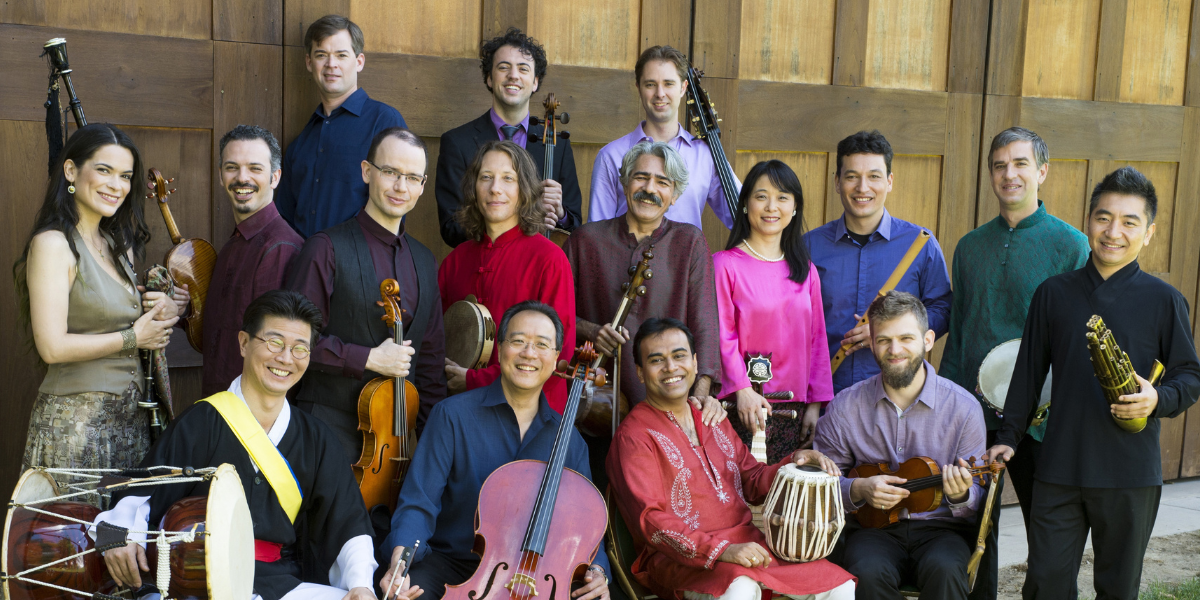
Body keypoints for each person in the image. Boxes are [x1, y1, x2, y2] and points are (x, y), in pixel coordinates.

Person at [95, 290, 420, 600]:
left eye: (299, 348)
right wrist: (114, 536)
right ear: (244, 343)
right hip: (196, 583)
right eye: (274, 341)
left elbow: (348, 524)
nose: (285, 358)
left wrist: (362, 585)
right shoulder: (202, 421)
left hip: (280, 585)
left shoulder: (316, 439)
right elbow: (135, 497)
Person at [987, 167, 1200, 600]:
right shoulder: (1053, 293)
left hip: (1130, 472)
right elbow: (1028, 372)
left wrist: (1157, 398)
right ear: (1088, 221)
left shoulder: (1165, 301)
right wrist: (1008, 436)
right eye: (1104, 218)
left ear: (1150, 232)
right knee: (1045, 586)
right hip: (1059, 466)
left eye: (1129, 222)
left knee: (1118, 589)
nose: (1113, 232)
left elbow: (1190, 376)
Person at [937, 127, 1089, 600]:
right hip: (977, 416)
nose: (1010, 174)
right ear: (991, 174)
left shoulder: (1071, 245)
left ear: (1042, 171)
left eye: (1021, 163)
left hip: (1042, 419)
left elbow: (1076, 339)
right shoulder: (969, 246)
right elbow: (960, 332)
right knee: (974, 530)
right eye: (1000, 165)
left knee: (1049, 537)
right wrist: (948, 404)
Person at [606, 318, 856, 600]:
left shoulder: (712, 417)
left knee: (839, 585)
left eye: (679, 356)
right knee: (740, 587)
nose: (671, 368)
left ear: (696, 363)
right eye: (656, 360)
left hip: (748, 545)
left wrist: (795, 461)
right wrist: (723, 551)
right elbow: (651, 520)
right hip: (680, 562)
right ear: (640, 373)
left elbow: (752, 480)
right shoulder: (634, 437)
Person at [380, 301, 610, 600]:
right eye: (518, 341)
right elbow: (418, 502)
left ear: (556, 359)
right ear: (499, 350)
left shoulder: (571, 442)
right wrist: (401, 560)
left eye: (541, 345)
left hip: (534, 575)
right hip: (453, 564)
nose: (529, 353)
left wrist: (598, 572)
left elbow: (586, 528)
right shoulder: (452, 415)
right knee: (411, 591)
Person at [16, 123, 182, 490]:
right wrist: (133, 337)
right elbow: (52, 346)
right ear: (71, 171)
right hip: (76, 429)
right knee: (74, 541)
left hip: (130, 429)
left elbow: (119, 315)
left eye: (125, 175)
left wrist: (161, 306)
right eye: (103, 170)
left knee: (126, 543)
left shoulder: (113, 243)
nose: (116, 185)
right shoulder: (53, 245)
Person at [563, 140, 722, 490]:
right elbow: (555, 319)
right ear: (624, 182)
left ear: (676, 195)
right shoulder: (585, 240)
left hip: (666, 398)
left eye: (662, 183)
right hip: (597, 403)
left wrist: (702, 388)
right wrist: (591, 330)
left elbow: (705, 320)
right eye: (641, 178)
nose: (650, 189)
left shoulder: (689, 242)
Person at [286, 127, 446, 461]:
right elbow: (293, 343)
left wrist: (433, 455)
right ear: (367, 171)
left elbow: (430, 365)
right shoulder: (325, 249)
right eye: (390, 172)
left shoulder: (425, 261)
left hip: (396, 445)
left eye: (412, 177)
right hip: (327, 438)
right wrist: (370, 358)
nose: (401, 187)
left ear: (422, 185)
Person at [815, 291, 985, 600]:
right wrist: (858, 489)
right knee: (865, 573)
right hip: (871, 531)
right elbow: (821, 483)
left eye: (907, 338)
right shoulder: (846, 406)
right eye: (884, 340)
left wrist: (962, 494)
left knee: (947, 572)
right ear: (873, 344)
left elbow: (978, 496)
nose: (895, 350)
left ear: (928, 339)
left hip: (942, 530)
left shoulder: (964, 408)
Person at [804, 130, 952, 394]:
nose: (863, 188)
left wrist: (892, 330)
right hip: (825, 397)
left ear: (890, 181)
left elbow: (943, 307)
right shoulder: (809, 247)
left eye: (874, 176)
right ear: (837, 182)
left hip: (899, 395)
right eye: (852, 177)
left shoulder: (920, 244)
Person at [439, 140, 575, 413]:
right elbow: (436, 340)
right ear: (473, 189)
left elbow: (560, 353)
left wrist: (473, 380)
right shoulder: (455, 261)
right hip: (464, 414)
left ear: (524, 190)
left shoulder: (549, 259)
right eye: (485, 177)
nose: (495, 189)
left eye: (508, 179)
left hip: (531, 416)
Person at [714, 160, 832, 463]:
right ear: (745, 204)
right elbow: (721, 334)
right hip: (738, 404)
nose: (771, 206)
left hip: (792, 408)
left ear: (794, 208)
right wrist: (741, 389)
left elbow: (817, 340)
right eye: (761, 195)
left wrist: (815, 405)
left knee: (780, 498)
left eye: (782, 197)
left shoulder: (805, 270)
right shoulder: (724, 264)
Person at [435, 28, 582, 247]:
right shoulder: (457, 143)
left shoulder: (557, 145)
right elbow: (451, 228)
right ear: (489, 79)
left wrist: (560, 214)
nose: (513, 75)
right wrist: (518, 215)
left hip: (539, 271)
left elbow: (575, 224)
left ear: (535, 82)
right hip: (483, 267)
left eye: (523, 69)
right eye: (503, 67)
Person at [276, 14, 407, 238]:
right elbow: (283, 219)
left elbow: (396, 204)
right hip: (303, 266)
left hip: (360, 267)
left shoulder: (384, 122)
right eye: (321, 55)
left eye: (341, 55)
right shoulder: (301, 142)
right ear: (309, 63)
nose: (331, 64)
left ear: (359, 62)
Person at [200, 125, 304, 396]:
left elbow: (275, 352)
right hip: (222, 408)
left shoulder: (281, 248)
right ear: (221, 176)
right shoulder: (234, 244)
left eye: (255, 168)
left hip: (251, 416)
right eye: (232, 167)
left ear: (275, 177)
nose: (241, 177)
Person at [588, 45, 738, 230]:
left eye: (668, 84)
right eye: (650, 84)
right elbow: (596, 235)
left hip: (687, 258)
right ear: (639, 88)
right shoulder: (610, 155)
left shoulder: (706, 156)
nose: (660, 94)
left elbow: (743, 218)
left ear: (683, 88)